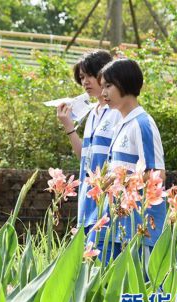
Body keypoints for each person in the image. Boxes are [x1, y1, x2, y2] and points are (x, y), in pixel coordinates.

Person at [100, 58, 166, 259]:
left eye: (108, 86)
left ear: (124, 83)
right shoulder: (121, 123)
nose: (103, 94)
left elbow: (157, 175)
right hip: (119, 225)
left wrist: (119, 181)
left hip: (140, 228)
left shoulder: (142, 124)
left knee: (142, 285)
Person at [56, 50, 121, 235]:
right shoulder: (93, 112)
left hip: (108, 203)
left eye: (90, 75)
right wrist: (68, 126)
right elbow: (84, 159)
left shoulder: (117, 112)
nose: (85, 82)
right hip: (88, 202)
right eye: (82, 77)